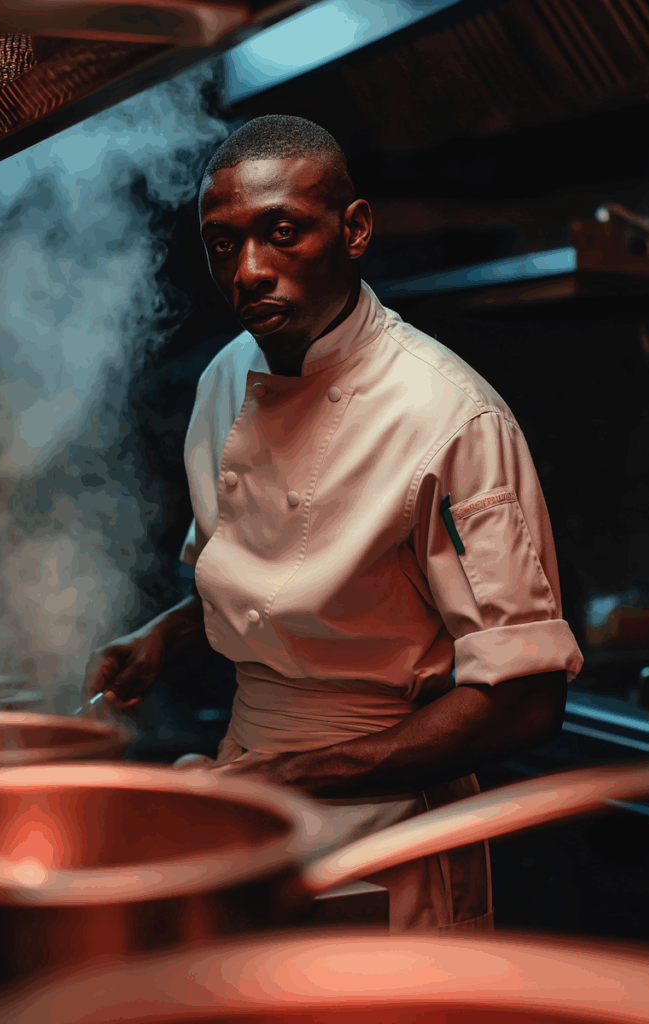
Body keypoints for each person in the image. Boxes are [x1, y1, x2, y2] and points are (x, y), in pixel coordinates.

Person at [85, 115, 584, 933]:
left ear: (353, 230)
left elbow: (525, 700)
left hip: (385, 825)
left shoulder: (449, 416)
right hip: (249, 801)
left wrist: (293, 773)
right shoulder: (223, 379)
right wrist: (162, 639)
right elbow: (264, 592)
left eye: (282, 232)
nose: (248, 270)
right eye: (222, 244)